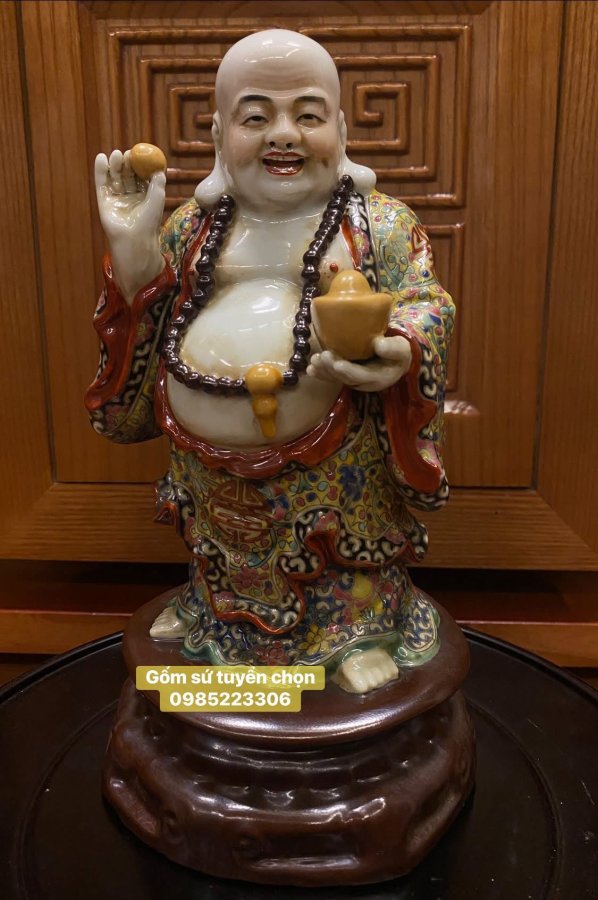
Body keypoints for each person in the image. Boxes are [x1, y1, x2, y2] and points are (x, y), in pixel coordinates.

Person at [85, 29, 455, 693]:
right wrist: (135, 252)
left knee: (337, 554)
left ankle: (355, 633)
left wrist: (400, 347)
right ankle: (212, 614)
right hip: (207, 466)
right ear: (219, 134)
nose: (283, 135)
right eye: (255, 117)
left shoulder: (381, 226)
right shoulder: (192, 227)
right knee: (223, 546)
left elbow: (427, 302)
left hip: (338, 466)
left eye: (307, 115)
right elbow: (150, 321)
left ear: (341, 129)